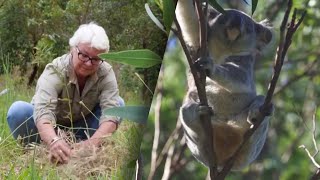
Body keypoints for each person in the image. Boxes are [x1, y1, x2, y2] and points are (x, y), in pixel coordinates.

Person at [7, 22, 124, 164]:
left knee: (119, 105)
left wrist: (91, 144)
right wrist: (54, 140)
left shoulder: (105, 72)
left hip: (82, 130)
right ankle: (41, 151)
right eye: (84, 55)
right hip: (48, 129)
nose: (88, 63)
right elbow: (43, 111)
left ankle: (80, 150)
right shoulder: (55, 70)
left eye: (95, 59)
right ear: (72, 49)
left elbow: (111, 113)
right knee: (18, 111)